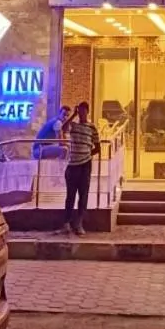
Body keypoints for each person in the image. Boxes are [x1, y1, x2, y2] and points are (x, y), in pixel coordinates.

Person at [61, 100, 100, 235]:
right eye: (80, 111)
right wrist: (73, 115)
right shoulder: (74, 125)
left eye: (84, 111)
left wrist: (87, 154)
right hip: (72, 165)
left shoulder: (92, 128)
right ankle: (67, 223)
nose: (82, 113)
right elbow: (63, 128)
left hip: (85, 165)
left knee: (83, 195)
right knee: (70, 195)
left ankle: (79, 224)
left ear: (87, 112)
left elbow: (98, 147)